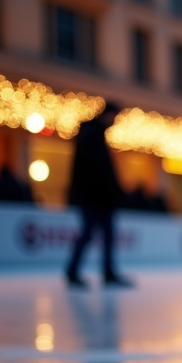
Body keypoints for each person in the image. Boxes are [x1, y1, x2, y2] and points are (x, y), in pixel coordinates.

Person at [65, 101, 133, 289]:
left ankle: (104, 272)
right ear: (108, 114)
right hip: (95, 198)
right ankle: (75, 271)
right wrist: (114, 190)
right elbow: (97, 170)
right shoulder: (92, 135)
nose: (115, 121)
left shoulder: (94, 135)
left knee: (102, 235)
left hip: (99, 197)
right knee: (89, 234)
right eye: (115, 117)